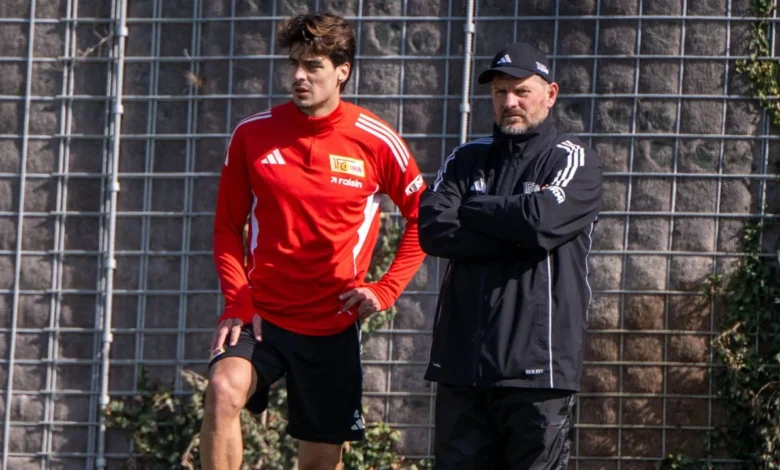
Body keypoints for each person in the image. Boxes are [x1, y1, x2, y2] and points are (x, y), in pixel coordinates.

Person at [201, 12, 427, 470]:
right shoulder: (252, 134)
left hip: (332, 326)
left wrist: (385, 290)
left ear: (342, 71)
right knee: (223, 389)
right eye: (294, 64)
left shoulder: (376, 140)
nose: (299, 76)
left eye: (313, 66)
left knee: (320, 464)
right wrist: (238, 300)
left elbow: (425, 218)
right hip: (262, 318)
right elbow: (227, 227)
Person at [418, 41, 603, 469]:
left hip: (538, 371)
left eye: (521, 91)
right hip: (461, 368)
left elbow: (540, 221)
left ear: (550, 94)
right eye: (500, 91)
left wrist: (474, 210)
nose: (510, 102)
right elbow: (433, 230)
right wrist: (516, 231)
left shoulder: (573, 160)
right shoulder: (465, 159)